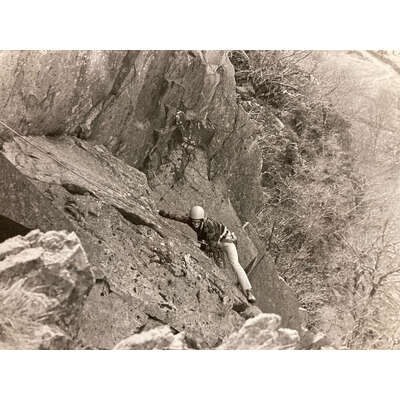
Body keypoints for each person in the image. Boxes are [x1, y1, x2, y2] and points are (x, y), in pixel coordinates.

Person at [158, 205, 256, 303]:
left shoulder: (209, 226)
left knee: (235, 263)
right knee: (209, 258)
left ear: (202, 220)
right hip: (212, 242)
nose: (195, 224)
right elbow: (176, 216)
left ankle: (248, 291)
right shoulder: (191, 220)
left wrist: (199, 245)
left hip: (226, 241)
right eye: (193, 221)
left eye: (197, 222)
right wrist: (160, 212)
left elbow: (212, 247)